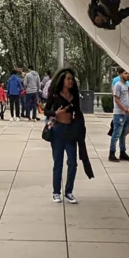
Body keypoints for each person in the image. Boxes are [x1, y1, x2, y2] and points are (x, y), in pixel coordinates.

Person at [45, 68, 83, 202]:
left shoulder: (74, 95)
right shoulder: (55, 95)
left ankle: (69, 191)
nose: (71, 81)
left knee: (73, 162)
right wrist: (56, 113)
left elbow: (78, 112)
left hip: (71, 130)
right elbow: (46, 111)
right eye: (68, 79)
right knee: (58, 162)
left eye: (72, 79)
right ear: (62, 80)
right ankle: (56, 192)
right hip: (58, 130)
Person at [109, 69, 129, 162]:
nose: (127, 75)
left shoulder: (127, 85)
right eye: (125, 73)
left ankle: (123, 152)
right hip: (119, 114)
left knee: (123, 135)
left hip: (127, 114)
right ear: (121, 74)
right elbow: (117, 99)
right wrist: (124, 109)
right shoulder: (118, 85)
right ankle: (112, 153)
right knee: (116, 134)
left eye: (128, 73)